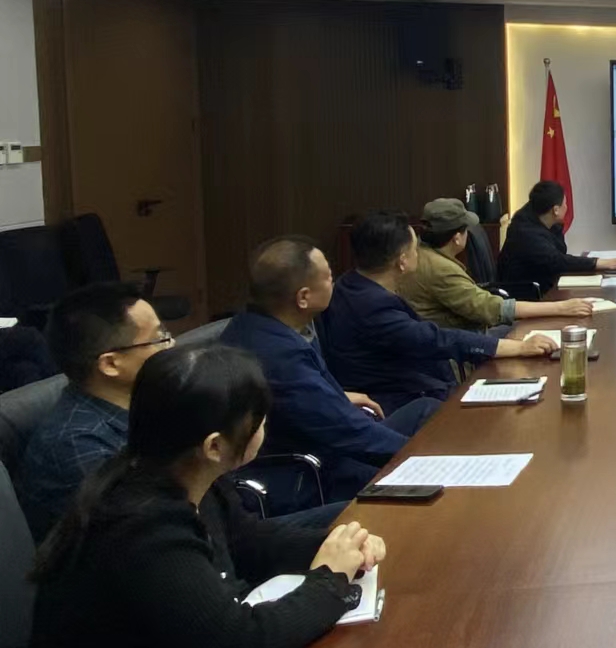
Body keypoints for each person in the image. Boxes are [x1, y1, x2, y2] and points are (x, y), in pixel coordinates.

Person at [29, 344, 386, 648]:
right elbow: (238, 646)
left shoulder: (179, 474)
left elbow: (249, 542)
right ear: (214, 446)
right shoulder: (140, 525)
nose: (265, 426)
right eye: (259, 419)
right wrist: (330, 580)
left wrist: (340, 546)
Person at [223, 236, 441, 505]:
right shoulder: (280, 355)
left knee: (426, 408)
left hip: (324, 441)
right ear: (303, 297)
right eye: (328, 277)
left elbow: (298, 398)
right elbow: (349, 433)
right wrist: (423, 459)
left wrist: (337, 395)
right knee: (424, 486)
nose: (334, 284)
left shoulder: (255, 325)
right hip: (308, 471)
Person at [320, 211, 555, 413]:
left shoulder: (349, 284)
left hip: (411, 382)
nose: (420, 254)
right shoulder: (373, 306)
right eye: (415, 249)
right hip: (399, 401)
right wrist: (520, 347)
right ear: (402, 261)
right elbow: (434, 339)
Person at [17, 283, 172, 541]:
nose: (172, 346)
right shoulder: (77, 445)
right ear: (110, 364)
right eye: (159, 339)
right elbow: (150, 536)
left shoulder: (147, 403)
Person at [405, 198, 592, 333]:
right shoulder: (441, 270)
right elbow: (491, 309)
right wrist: (560, 308)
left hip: (463, 333)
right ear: (457, 238)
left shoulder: (420, 253)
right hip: (463, 345)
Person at [497, 181, 616, 291]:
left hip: (543, 284)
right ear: (555, 210)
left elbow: (559, 253)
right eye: (565, 203)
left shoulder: (538, 216)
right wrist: (600, 263)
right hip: (527, 295)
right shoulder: (526, 233)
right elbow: (557, 261)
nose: (567, 206)